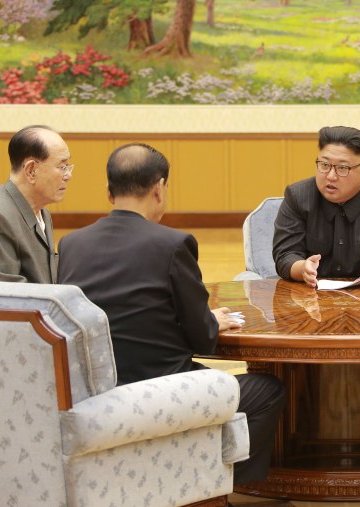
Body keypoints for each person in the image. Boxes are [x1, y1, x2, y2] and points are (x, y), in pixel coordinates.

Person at [57, 143, 285, 485]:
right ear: (159, 188)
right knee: (268, 389)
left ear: (108, 192)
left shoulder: (72, 244)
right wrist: (212, 321)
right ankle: (216, 489)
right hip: (161, 391)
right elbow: (202, 337)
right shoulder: (172, 244)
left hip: (94, 393)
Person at [272, 125, 360, 287]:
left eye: (342, 168)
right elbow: (285, 255)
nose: (331, 176)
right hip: (310, 298)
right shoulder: (297, 196)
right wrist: (303, 268)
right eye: (324, 165)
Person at [0, 125, 72, 283]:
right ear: (31, 170)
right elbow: (9, 296)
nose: (68, 175)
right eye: (62, 167)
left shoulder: (41, 211)